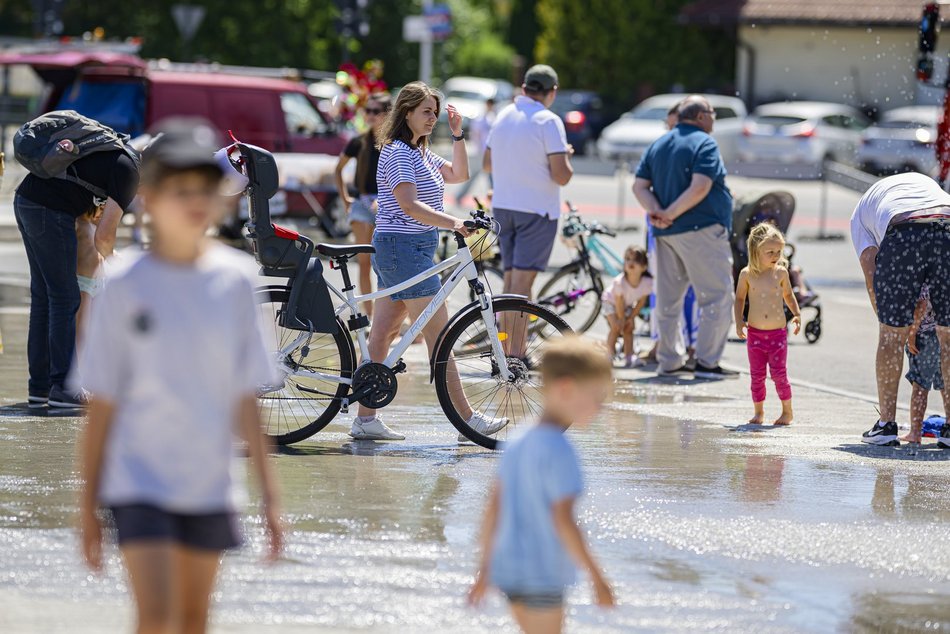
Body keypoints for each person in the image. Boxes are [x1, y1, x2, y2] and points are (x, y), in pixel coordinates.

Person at [75, 119, 283, 634]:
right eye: (178, 189)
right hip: (136, 485)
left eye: (204, 189)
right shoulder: (123, 283)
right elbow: (100, 406)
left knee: (193, 620)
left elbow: (246, 400)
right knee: (154, 616)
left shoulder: (236, 279)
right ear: (148, 197)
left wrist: (272, 500)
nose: (193, 200)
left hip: (209, 485)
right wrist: (85, 509)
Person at [350, 81, 508, 442]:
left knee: (384, 334)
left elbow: (459, 175)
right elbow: (408, 205)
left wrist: (457, 135)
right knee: (442, 335)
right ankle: (467, 421)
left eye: (435, 112)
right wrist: (455, 222)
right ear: (406, 112)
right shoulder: (399, 153)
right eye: (426, 112)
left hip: (412, 248)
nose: (432, 118)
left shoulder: (419, 152)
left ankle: (365, 419)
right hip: (402, 249)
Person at [467, 336, 615, 633]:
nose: (599, 408)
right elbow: (563, 519)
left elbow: (493, 508)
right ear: (566, 389)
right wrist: (598, 578)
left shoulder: (518, 439)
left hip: (509, 571)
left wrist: (484, 571)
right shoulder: (560, 450)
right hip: (543, 572)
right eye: (596, 398)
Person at [14, 131, 138, 408]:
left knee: (45, 297)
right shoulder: (129, 171)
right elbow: (104, 238)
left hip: (26, 201)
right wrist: (121, 266)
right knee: (65, 298)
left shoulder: (114, 156)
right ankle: (64, 388)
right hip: (47, 210)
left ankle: (41, 388)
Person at [633, 95, 736, 380]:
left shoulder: (660, 143)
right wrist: (670, 212)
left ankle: (669, 360)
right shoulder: (704, 143)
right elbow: (701, 186)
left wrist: (657, 212)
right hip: (700, 229)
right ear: (701, 115)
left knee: (668, 299)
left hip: (665, 234)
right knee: (716, 296)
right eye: (712, 113)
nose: (714, 118)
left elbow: (639, 186)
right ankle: (706, 363)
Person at [850, 171, 950, 448]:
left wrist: (893, 324)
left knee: (890, 337)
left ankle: (886, 425)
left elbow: (871, 274)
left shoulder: (859, 216)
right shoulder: (924, 185)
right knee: (948, 337)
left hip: (905, 230)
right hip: (948, 224)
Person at [484, 65, 573, 300]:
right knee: (521, 288)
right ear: (552, 91)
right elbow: (562, 176)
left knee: (511, 281)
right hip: (536, 210)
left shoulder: (503, 114)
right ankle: (513, 339)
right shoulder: (549, 121)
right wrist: (565, 156)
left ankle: (506, 337)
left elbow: (486, 164)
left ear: (524, 88)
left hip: (503, 207)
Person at [734, 224, 801, 425]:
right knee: (757, 375)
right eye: (770, 252)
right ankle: (759, 412)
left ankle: (787, 411)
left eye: (779, 251)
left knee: (779, 374)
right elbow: (739, 299)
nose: (775, 255)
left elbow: (789, 295)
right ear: (756, 251)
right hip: (755, 334)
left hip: (777, 335)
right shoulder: (747, 274)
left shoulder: (780, 273)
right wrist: (739, 322)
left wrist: (796, 313)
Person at [334, 93, 392, 318]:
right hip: (362, 202)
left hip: (388, 203)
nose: (369, 115)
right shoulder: (358, 141)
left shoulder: (394, 143)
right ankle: (370, 316)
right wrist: (344, 198)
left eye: (375, 111)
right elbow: (338, 169)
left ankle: (390, 318)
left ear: (387, 114)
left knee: (387, 263)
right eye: (367, 110)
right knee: (365, 263)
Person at [903, 286, 944, 444]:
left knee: (920, 386)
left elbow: (922, 303)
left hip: (925, 334)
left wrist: (912, 331)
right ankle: (948, 431)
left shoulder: (926, 268)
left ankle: (915, 432)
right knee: (946, 385)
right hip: (945, 333)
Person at [602, 246, 652, 368]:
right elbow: (618, 302)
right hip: (610, 302)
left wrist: (630, 318)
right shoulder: (619, 282)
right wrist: (622, 318)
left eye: (636, 260)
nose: (631, 262)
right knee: (616, 327)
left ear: (644, 267)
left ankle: (629, 356)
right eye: (628, 259)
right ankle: (608, 355)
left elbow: (641, 302)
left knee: (629, 328)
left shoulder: (647, 283)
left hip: (626, 305)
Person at [455, 97, 497, 208]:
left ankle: (495, 199)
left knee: (491, 177)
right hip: (480, 152)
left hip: (488, 152)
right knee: (474, 176)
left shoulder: (493, 118)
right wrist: (477, 149)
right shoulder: (480, 119)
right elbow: (475, 135)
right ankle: (459, 197)